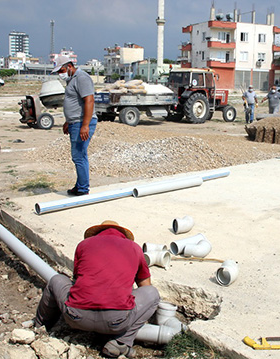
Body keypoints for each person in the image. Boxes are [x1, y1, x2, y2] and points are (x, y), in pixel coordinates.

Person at [34, 220, 160, 359]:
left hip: (75, 317)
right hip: (116, 322)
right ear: (122, 235)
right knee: (152, 293)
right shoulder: (134, 248)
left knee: (56, 280)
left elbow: (77, 280)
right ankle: (120, 342)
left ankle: (39, 327)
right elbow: (145, 286)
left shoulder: (83, 245)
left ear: (97, 233)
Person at [51, 55, 97, 196]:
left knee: (79, 155)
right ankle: (80, 185)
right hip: (75, 122)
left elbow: (89, 101)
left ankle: (83, 189)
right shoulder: (72, 80)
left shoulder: (81, 78)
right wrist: (68, 121)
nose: (61, 74)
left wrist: (85, 125)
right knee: (78, 155)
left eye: (62, 70)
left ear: (70, 66)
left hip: (81, 123)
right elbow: (75, 103)